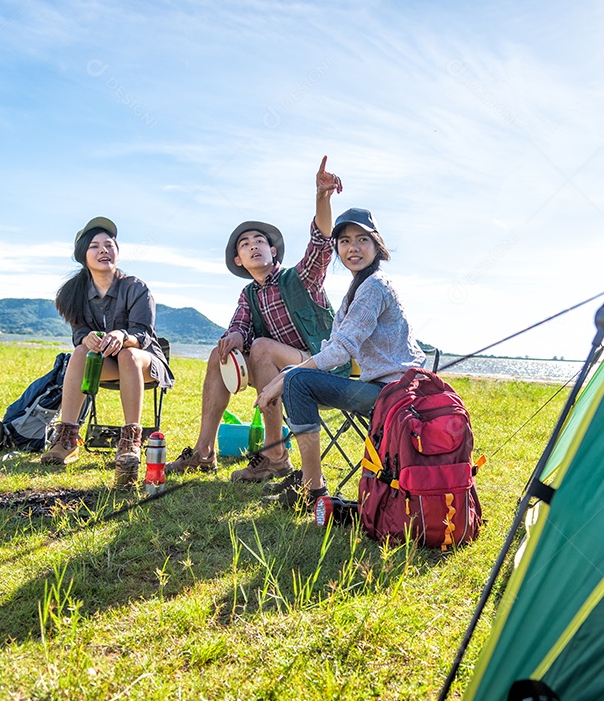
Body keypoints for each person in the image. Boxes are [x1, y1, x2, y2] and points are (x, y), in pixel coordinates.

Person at [166, 156, 347, 481]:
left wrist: (322, 196)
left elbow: (321, 244)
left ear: (273, 251)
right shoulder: (249, 294)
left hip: (322, 365)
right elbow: (239, 326)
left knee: (262, 347)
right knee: (219, 353)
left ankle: (275, 454)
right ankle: (204, 452)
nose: (254, 247)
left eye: (260, 241)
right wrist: (234, 337)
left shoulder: (300, 278)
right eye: (245, 244)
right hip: (278, 370)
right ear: (239, 259)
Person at [256, 203, 426, 508]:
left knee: (297, 380)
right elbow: (333, 345)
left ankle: (312, 488)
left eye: (362, 240)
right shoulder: (356, 289)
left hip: (395, 396)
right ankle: (310, 482)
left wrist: (285, 375)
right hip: (380, 390)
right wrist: (294, 374)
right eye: (344, 241)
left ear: (377, 245)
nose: (353, 248)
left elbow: (341, 349)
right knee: (299, 380)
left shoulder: (375, 286)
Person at [41, 216, 174, 487]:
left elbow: (144, 335)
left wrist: (122, 336)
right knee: (78, 352)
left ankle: (130, 440)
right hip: (104, 363)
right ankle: (67, 438)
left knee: (128, 355)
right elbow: (78, 333)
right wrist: (87, 338)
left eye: (109, 244)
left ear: (116, 251)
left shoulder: (136, 287)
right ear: (84, 256)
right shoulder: (73, 293)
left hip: (144, 361)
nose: (104, 250)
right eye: (95, 246)